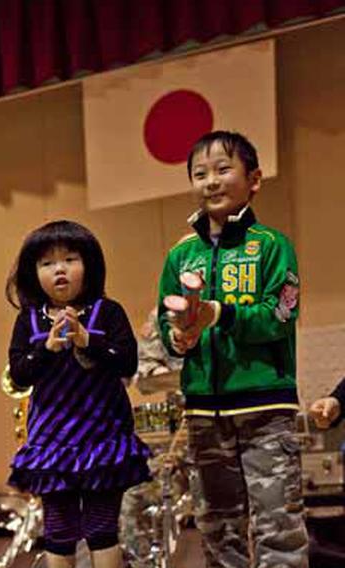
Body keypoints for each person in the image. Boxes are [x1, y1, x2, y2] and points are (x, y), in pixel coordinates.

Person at [158, 131, 307, 567]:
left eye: (223, 169)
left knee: (278, 529)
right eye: (199, 173)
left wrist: (220, 313)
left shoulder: (272, 246)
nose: (210, 181)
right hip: (205, 412)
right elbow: (167, 331)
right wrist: (179, 338)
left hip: (266, 409)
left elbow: (281, 315)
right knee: (218, 534)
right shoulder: (179, 257)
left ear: (254, 178)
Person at [5, 220, 149, 568]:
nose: (59, 270)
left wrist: (87, 341)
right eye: (47, 263)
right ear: (33, 272)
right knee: (58, 531)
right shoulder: (29, 320)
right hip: (52, 443)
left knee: (102, 530)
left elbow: (127, 363)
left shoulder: (108, 311)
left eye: (70, 259)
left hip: (103, 439)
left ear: (89, 265)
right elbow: (20, 375)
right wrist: (48, 349)